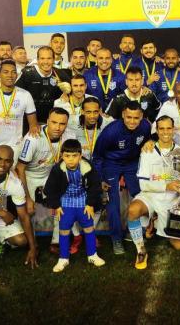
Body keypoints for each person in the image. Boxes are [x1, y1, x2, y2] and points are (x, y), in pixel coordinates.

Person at [92, 101, 151, 255]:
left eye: (136, 118)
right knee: (113, 200)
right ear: (123, 115)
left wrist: (151, 141)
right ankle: (116, 238)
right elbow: (97, 156)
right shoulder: (111, 131)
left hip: (132, 163)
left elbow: (150, 140)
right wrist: (100, 179)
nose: (132, 121)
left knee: (140, 195)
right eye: (129, 117)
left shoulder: (145, 126)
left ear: (141, 117)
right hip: (112, 163)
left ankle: (136, 231)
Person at [127, 115, 180, 269]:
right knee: (133, 210)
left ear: (174, 130)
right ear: (157, 131)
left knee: (179, 245)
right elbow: (143, 185)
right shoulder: (148, 150)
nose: (165, 132)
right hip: (150, 196)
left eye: (169, 128)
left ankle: (154, 220)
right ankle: (141, 250)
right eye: (162, 128)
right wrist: (166, 185)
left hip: (172, 200)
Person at [15, 108, 75, 252]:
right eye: (54, 122)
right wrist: (28, 198)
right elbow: (20, 168)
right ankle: (32, 241)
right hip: (30, 175)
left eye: (62, 124)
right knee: (27, 209)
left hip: (51, 174)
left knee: (64, 202)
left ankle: (57, 240)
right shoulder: (33, 138)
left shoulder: (69, 136)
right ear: (47, 121)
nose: (58, 127)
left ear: (66, 124)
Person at [44, 139, 105, 272]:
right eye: (67, 156)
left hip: (83, 201)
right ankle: (63, 258)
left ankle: (92, 255)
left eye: (74, 156)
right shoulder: (57, 169)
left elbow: (95, 186)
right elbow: (49, 189)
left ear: (80, 155)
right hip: (66, 201)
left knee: (89, 228)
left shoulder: (88, 167)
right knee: (64, 229)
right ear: (62, 156)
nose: (71, 159)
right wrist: (56, 205)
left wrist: (90, 204)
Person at [67, 97, 113, 254]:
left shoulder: (108, 124)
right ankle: (77, 236)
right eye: (88, 112)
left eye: (96, 112)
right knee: (71, 202)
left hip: (100, 170)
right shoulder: (72, 125)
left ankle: (90, 232)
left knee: (99, 201)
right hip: (78, 169)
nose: (92, 116)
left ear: (100, 111)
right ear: (82, 111)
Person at [0, 145, 38, 280]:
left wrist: (32, 247)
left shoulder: (14, 183)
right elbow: (3, 214)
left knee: (21, 241)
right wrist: (2, 213)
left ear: (12, 163)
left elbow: (24, 216)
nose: (2, 164)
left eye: (7, 161)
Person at [0, 60, 39, 163]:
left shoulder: (25, 95)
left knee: (12, 178)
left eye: (13, 72)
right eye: (5, 72)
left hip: (14, 147)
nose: (10, 75)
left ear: (17, 75)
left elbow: (33, 126)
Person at [16, 46, 71, 124]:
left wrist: (68, 92)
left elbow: (72, 98)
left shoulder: (61, 75)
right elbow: (16, 96)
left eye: (49, 58)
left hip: (54, 123)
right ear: (37, 60)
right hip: (29, 123)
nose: (46, 62)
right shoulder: (27, 74)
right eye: (42, 58)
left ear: (53, 59)